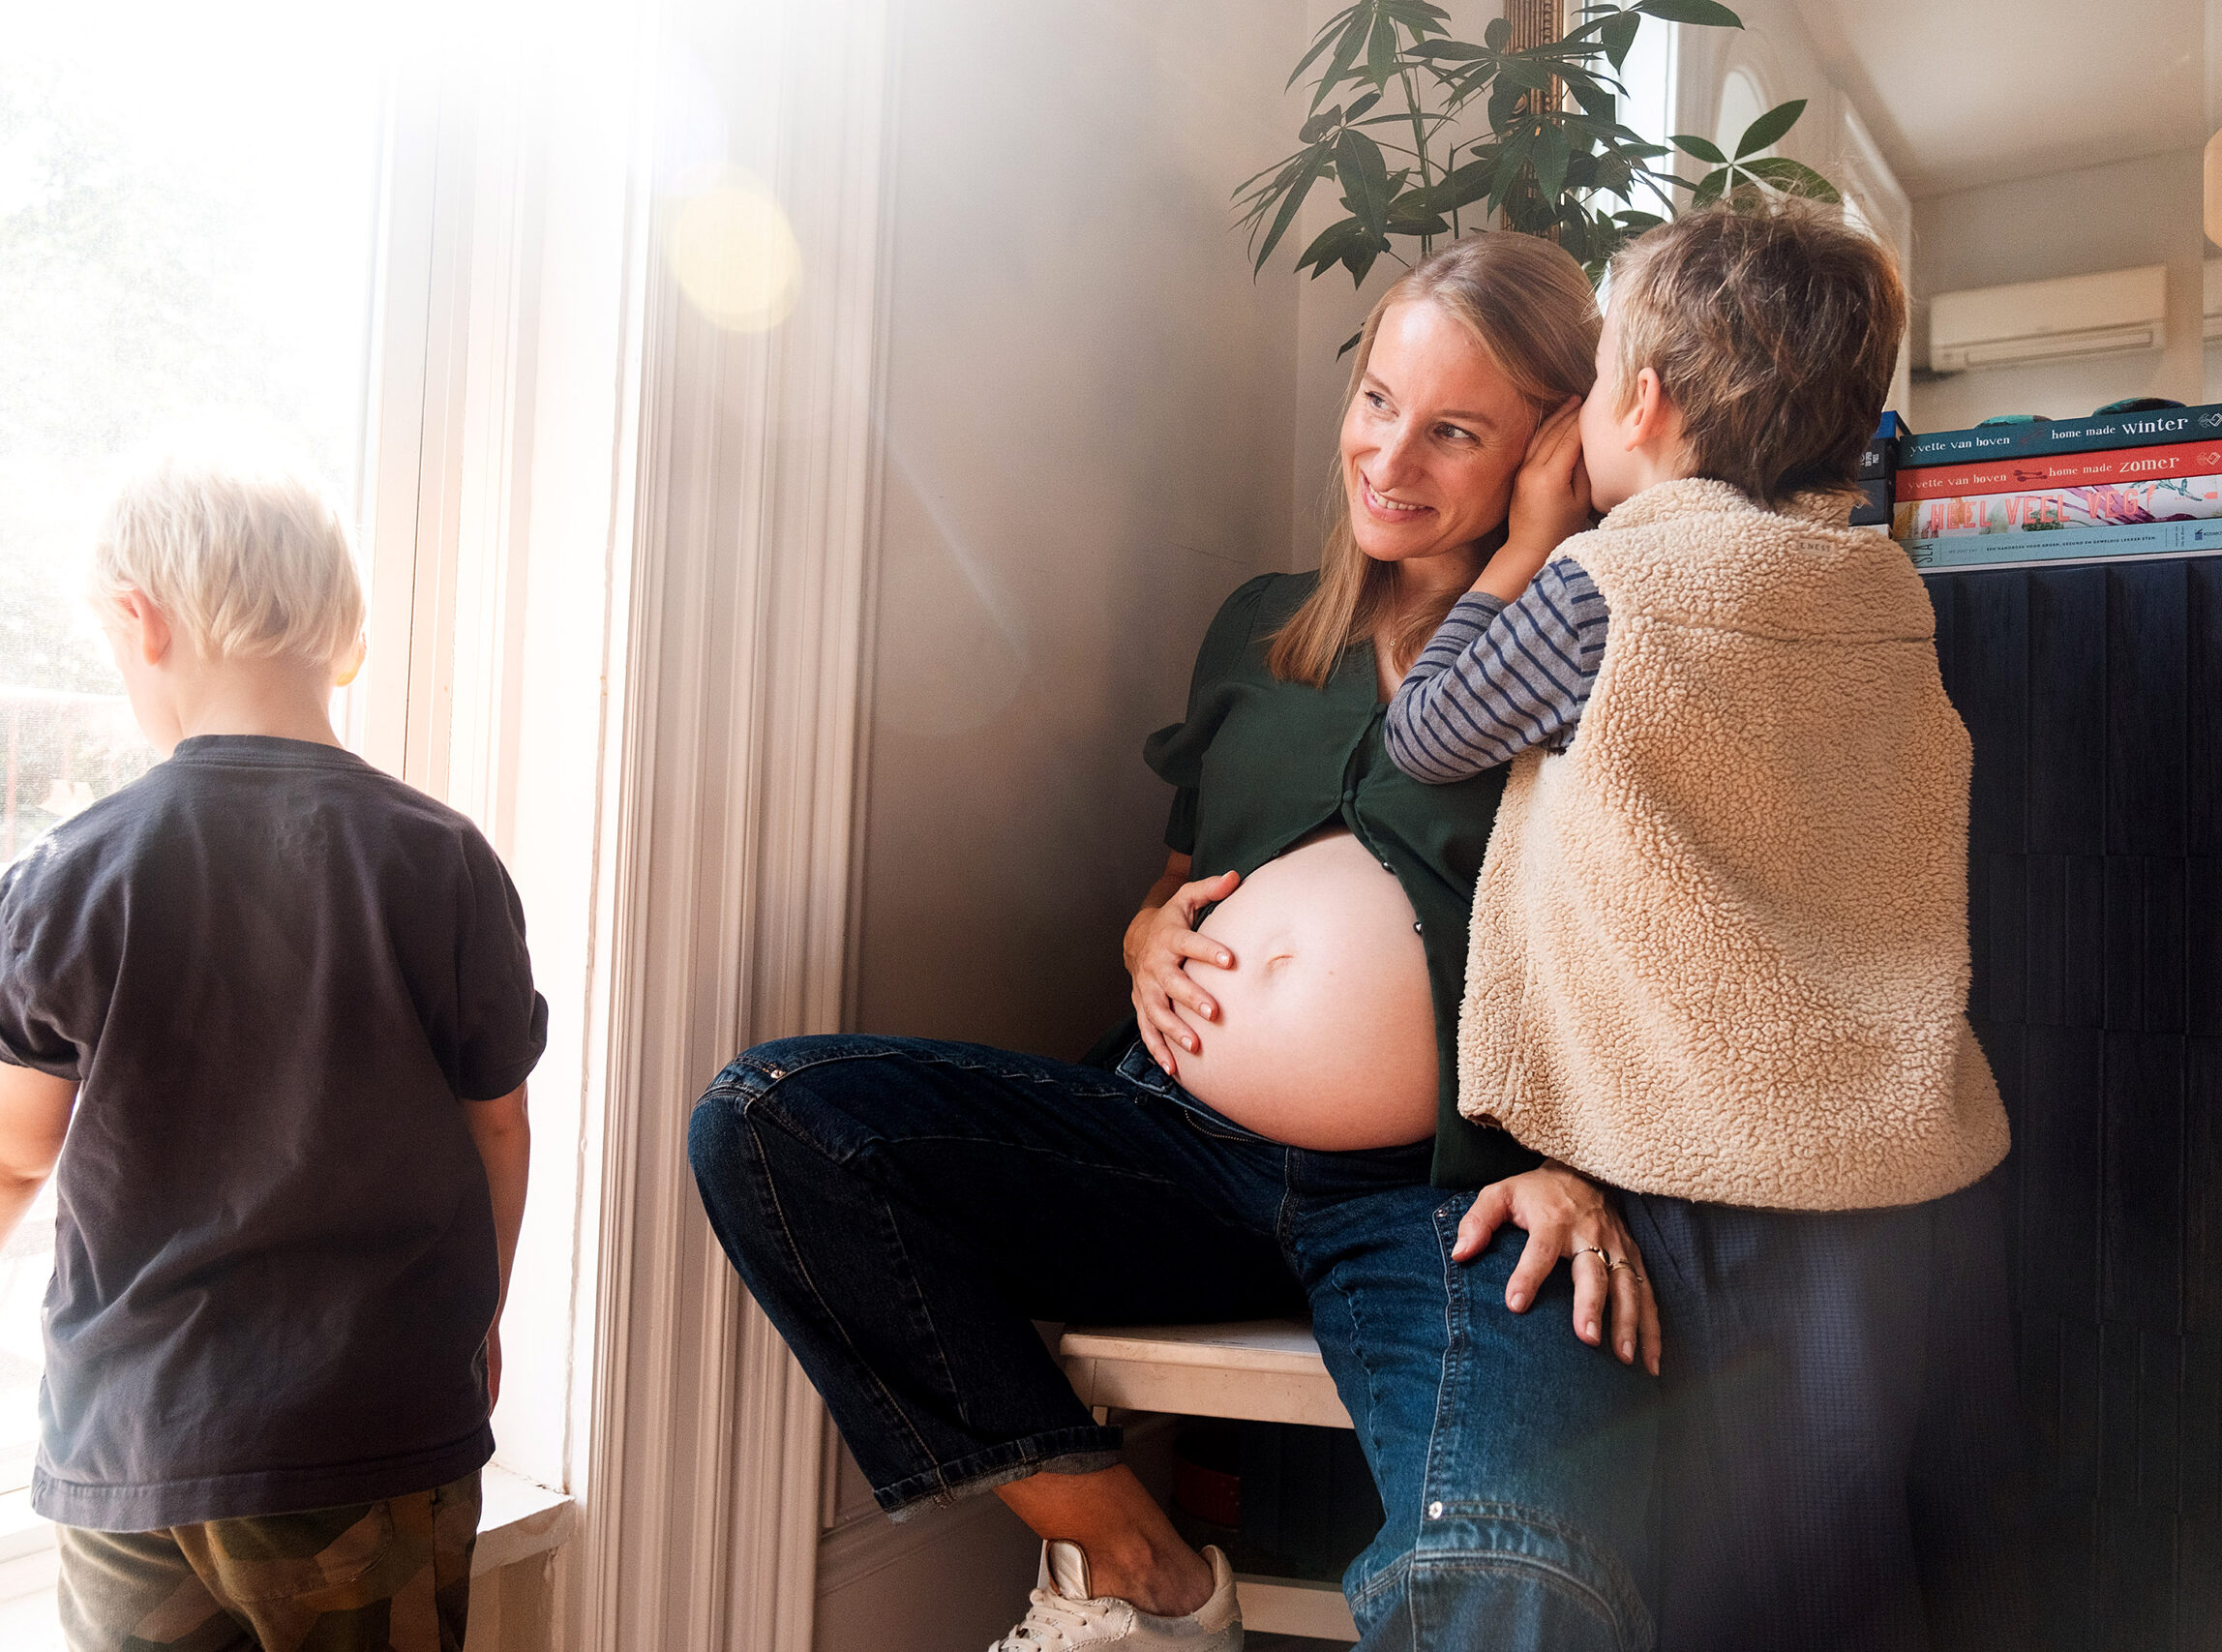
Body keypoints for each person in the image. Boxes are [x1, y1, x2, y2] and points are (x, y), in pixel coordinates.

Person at [691, 234, 1665, 1652]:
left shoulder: (1594, 652)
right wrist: (1144, 932)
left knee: (1513, 1559)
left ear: (1551, 444)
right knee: (772, 1122)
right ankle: (1138, 1566)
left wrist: (1524, 558)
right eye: (1379, 400)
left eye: (1454, 430)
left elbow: (1661, 944)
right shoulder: (1261, 627)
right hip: (1174, 1150)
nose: (1390, 455)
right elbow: (1169, 882)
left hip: (1433, 1193)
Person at [0, 446, 548, 1652]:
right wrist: (476, 1314)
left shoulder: (74, 873)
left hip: (134, 1447)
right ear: (348, 640)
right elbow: (497, 1120)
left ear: (140, 619)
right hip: (372, 1439)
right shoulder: (443, 862)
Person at [1385, 200, 2027, 1651]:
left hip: (1714, 1154)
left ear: (1643, 399)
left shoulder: (1609, 590)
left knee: (1735, 1553)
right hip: (1893, 1150)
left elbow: (1428, 728)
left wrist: (1534, 537)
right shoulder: (1878, 587)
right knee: (1856, 1532)